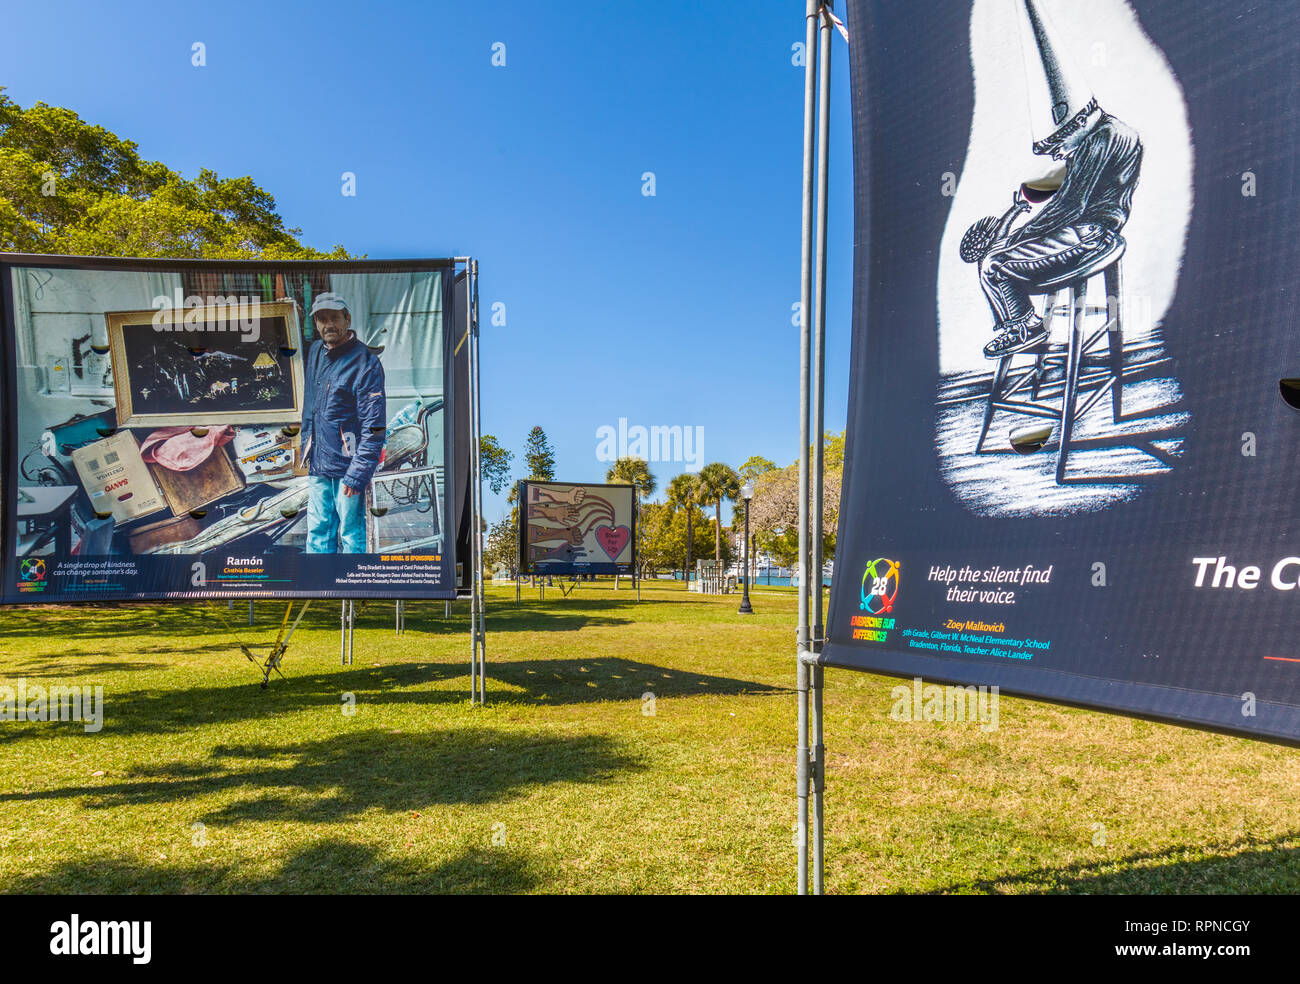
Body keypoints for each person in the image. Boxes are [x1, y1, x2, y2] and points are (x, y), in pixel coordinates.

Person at [968, 0, 1142, 360]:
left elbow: (1072, 203)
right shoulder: (1104, 135)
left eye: (1057, 145)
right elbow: (1064, 189)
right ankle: (1017, 325)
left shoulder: (1102, 140)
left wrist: (1021, 233)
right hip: (1087, 229)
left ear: (1072, 121)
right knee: (995, 260)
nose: (1058, 154)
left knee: (995, 264)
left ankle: (1025, 326)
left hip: (1091, 232)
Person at [300, 292, 386, 553]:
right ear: (315, 323)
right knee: (317, 532)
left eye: (334, 318)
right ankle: (318, 588)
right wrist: (306, 445)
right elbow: (311, 406)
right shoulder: (316, 351)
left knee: (350, 534)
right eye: (322, 319)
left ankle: (353, 590)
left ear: (347, 319)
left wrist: (358, 474)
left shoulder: (366, 363)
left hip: (348, 466)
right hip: (319, 463)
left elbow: (374, 426)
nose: (328, 325)